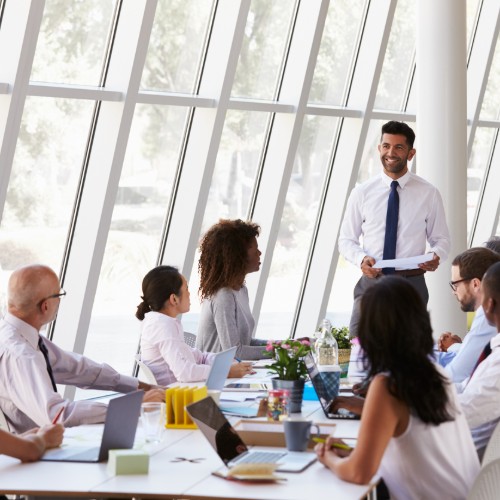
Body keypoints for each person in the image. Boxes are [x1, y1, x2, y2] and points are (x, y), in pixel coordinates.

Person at [314, 276, 479, 498]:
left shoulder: (388, 386)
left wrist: (328, 458)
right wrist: (354, 453)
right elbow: (417, 446)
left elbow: (359, 473)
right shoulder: (434, 374)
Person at [0, 264, 165, 434]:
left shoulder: (19, 336)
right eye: (59, 295)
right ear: (46, 306)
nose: (60, 302)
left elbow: (79, 369)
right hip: (39, 452)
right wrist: (133, 406)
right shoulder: (21, 355)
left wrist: (146, 388)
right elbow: (57, 415)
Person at [338, 121, 450, 337]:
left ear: (411, 153)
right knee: (359, 344)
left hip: (412, 283)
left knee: (409, 349)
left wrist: (436, 255)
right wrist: (361, 259)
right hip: (372, 281)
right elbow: (346, 240)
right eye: (386, 146)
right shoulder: (362, 193)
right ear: (379, 148)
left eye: (399, 147)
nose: (391, 152)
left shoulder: (428, 193)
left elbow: (441, 238)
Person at [137, 265, 253, 386]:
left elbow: (199, 357)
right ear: (174, 299)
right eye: (186, 288)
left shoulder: (162, 322)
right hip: (179, 396)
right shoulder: (161, 326)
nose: (189, 293)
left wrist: (228, 362)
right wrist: (226, 371)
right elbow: (185, 372)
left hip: (185, 390)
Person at [196, 219, 269, 360]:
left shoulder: (241, 290)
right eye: (254, 249)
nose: (259, 253)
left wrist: (283, 345)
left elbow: (246, 343)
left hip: (236, 373)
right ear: (238, 255)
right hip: (217, 378)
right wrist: (281, 351)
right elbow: (235, 353)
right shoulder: (223, 296)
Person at [435, 247, 500, 383]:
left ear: (475, 284)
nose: (454, 292)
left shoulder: (487, 319)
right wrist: (458, 346)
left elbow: (453, 376)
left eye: (455, 285)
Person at [457, 261, 500, 458]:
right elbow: (464, 387)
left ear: (489, 304)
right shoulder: (493, 351)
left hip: (464, 465)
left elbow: (460, 414)